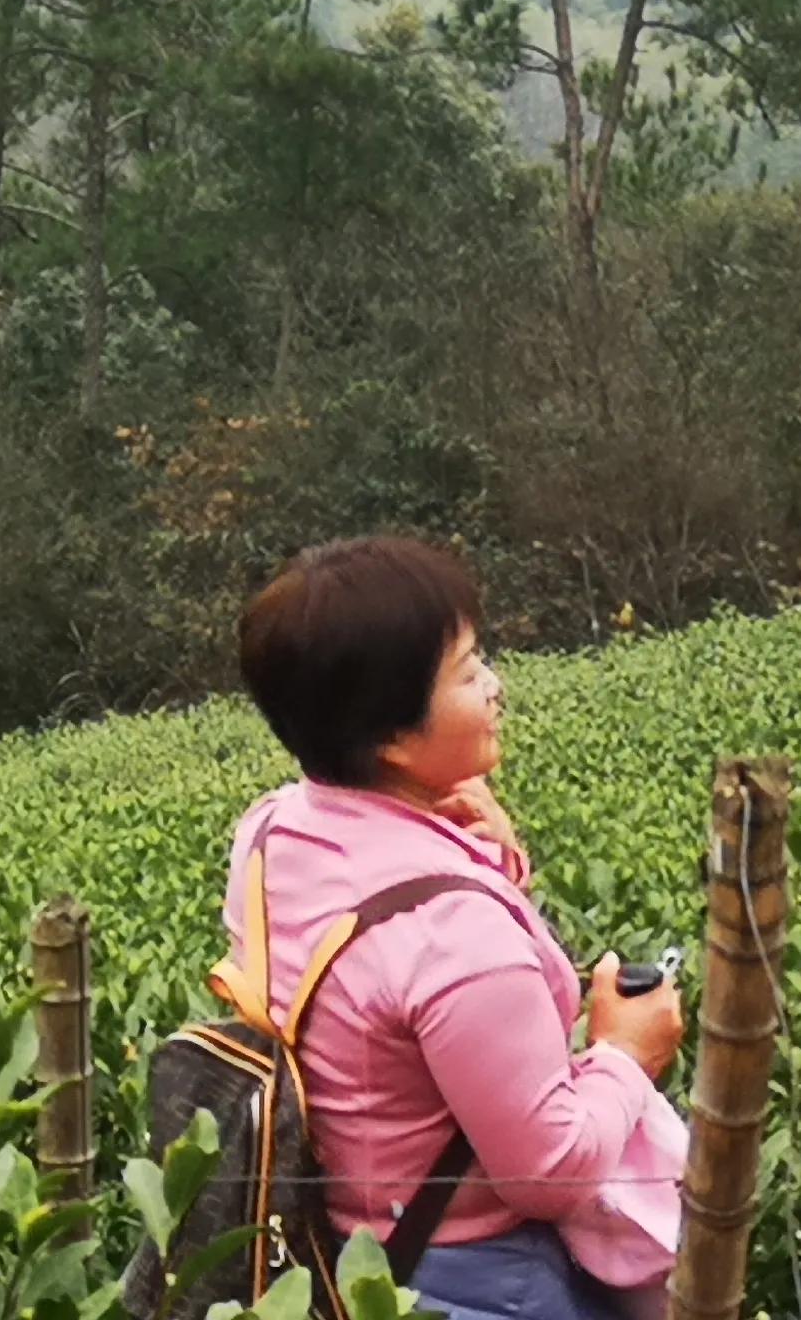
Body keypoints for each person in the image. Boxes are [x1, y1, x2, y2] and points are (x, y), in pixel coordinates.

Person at [226, 536, 690, 1320]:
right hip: (483, 1283)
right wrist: (624, 1056)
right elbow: (549, 1171)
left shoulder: (274, 832)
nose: (496, 686)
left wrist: (479, 860)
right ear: (394, 740)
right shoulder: (456, 935)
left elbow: (385, 995)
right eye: (471, 671)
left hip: (341, 1258)